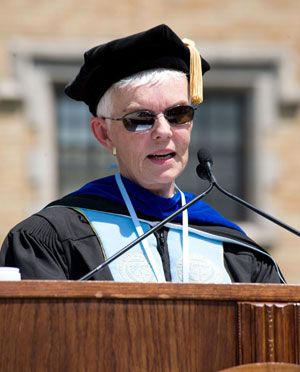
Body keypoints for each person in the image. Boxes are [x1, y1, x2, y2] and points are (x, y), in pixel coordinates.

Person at [0, 24, 285, 283]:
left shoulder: (237, 250)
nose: (163, 131)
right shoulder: (52, 239)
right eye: (140, 118)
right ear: (103, 133)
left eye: (178, 114)